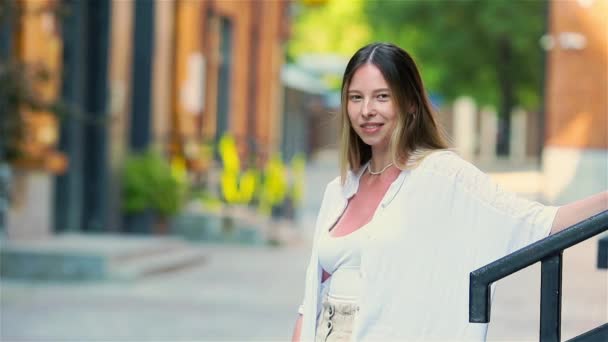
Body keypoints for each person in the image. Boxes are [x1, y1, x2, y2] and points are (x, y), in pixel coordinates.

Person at [291, 42, 607, 341]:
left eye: (382, 97)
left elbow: (538, 223)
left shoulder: (440, 174)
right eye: (356, 97)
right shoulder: (339, 190)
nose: (366, 110)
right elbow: (311, 299)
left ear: (410, 104)